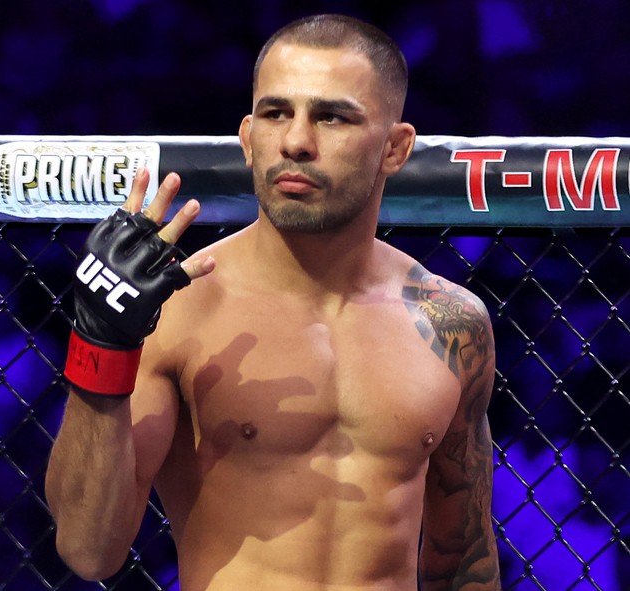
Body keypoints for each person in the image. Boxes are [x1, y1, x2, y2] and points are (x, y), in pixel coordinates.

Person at [45, 13, 501, 591]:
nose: (295, 142)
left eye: (332, 116)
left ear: (394, 148)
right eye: (276, 113)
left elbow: (462, 557)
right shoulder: (182, 309)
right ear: (246, 138)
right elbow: (89, 550)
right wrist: (100, 342)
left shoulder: (451, 322)